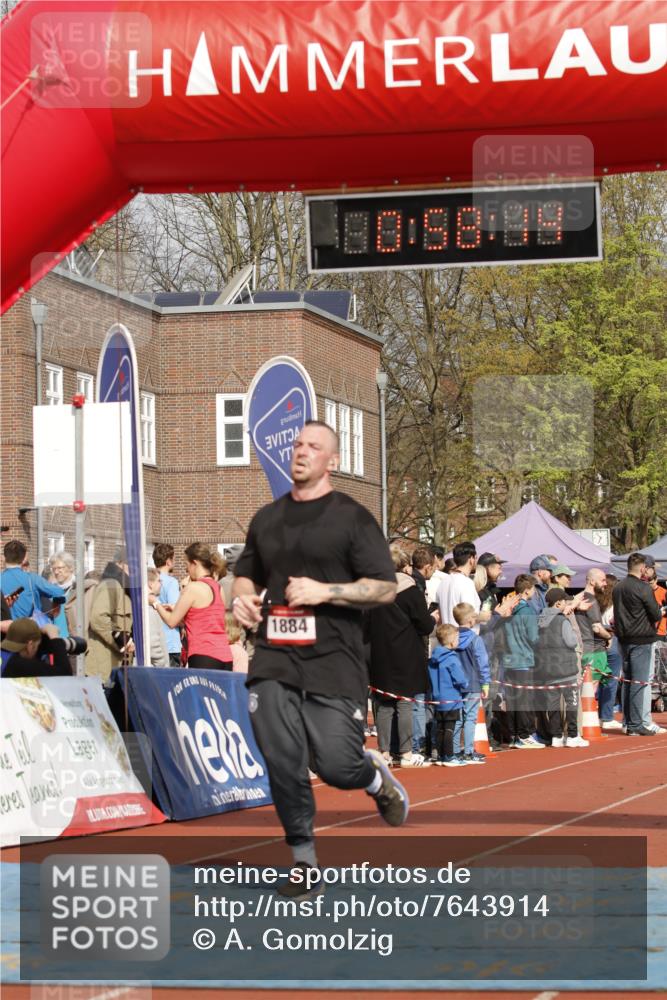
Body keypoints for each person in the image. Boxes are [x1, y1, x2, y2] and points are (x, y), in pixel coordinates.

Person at [231, 420, 406, 895]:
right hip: (274, 656)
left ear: (333, 460)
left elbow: (386, 588)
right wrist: (242, 599)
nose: (301, 452)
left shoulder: (352, 518)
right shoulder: (267, 519)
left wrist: (325, 591)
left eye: (314, 446)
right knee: (282, 756)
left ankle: (372, 777)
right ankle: (303, 860)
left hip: (334, 659)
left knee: (334, 766)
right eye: (297, 444)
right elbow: (246, 574)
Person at [367, 545, 437, 768]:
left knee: (384, 704)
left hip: (379, 652)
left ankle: (384, 752)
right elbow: (424, 625)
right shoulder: (409, 589)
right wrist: (433, 617)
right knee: (405, 703)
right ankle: (406, 753)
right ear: (403, 565)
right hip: (406, 652)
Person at [150, 543, 232, 670]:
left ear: (195, 563)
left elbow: (171, 621)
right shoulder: (218, 587)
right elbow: (210, 619)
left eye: (187, 565)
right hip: (225, 656)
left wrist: (155, 602)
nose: (187, 570)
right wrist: (179, 611)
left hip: (204, 656)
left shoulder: (193, 588)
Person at [613, 553, 664, 736]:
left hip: (623, 639)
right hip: (641, 639)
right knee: (639, 681)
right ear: (642, 568)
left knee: (628, 681)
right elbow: (656, 614)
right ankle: (635, 724)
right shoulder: (643, 587)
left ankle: (628, 722)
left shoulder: (618, 587)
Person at [535, 588, 586, 748]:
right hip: (565, 668)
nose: (566, 603)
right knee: (572, 702)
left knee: (553, 704)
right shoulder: (562, 620)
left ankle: (556, 736)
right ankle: (572, 735)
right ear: (558, 603)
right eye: (564, 601)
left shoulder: (540, 620)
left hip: (548, 669)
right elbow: (571, 641)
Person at [502, 573, 543, 749]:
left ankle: (513, 734)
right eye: (533, 588)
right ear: (527, 591)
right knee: (525, 699)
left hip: (509, 659)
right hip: (523, 659)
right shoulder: (527, 611)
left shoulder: (509, 609)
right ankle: (524, 734)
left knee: (513, 699)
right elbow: (533, 637)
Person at [86, 547, 133, 681]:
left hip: (116, 666)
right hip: (103, 668)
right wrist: (123, 641)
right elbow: (98, 618)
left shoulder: (124, 587)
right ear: (121, 563)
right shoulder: (111, 584)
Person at [452, 603, 490, 763]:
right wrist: (485, 683)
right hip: (473, 683)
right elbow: (483, 662)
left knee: (458, 718)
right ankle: (468, 751)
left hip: (456, 684)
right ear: (470, 620)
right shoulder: (475, 639)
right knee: (470, 718)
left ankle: (455, 750)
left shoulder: (452, 638)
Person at [428, 623, 469, 766]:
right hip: (451, 699)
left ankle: (440, 755)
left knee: (440, 728)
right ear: (452, 641)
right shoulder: (451, 658)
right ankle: (449, 756)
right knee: (449, 728)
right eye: (457, 638)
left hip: (438, 698)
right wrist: (465, 684)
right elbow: (459, 678)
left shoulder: (433, 658)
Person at [0, 539, 66, 623]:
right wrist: (56, 604)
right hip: (29, 629)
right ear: (24, 558)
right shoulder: (32, 579)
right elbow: (59, 592)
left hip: (5, 631)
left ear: (3, 558)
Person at [575, 568, 613, 688]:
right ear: (592, 581)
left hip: (582, 649)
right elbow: (596, 627)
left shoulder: (579, 597)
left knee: (584, 688)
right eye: (602, 580)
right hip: (594, 651)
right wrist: (609, 636)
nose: (605, 584)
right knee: (590, 689)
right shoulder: (591, 600)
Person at [1, 617, 76, 678]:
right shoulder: (19, 665)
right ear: (30, 646)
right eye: (37, 645)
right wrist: (54, 636)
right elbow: (64, 674)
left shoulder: (5, 657)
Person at [438, 542, 490, 628]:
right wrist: (484, 616)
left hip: (448, 636)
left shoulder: (443, 581)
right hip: (464, 637)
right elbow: (467, 617)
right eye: (476, 558)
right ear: (471, 559)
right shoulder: (466, 583)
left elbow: (439, 615)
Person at [598, 574, 623, 730]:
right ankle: (606, 716)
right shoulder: (615, 606)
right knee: (611, 680)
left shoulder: (597, 603)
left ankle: (600, 714)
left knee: (597, 680)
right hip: (612, 639)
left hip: (597, 641)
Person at [152, 543, 183, 666]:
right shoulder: (171, 582)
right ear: (168, 561)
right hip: (170, 642)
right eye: (174, 559)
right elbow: (176, 610)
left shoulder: (149, 579)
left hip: (155, 640)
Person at [145, 568, 169, 667]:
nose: (161, 584)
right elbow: (152, 643)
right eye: (159, 581)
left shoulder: (149, 605)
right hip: (156, 670)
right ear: (150, 583)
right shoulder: (149, 608)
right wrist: (162, 664)